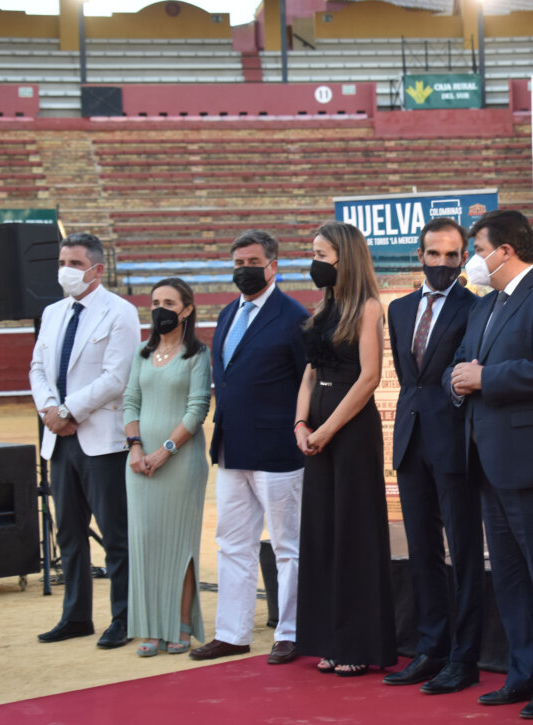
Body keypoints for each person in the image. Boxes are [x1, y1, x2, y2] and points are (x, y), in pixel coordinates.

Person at [445, 209, 533, 719]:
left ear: (506, 250)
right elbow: (460, 366)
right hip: (486, 461)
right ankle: (522, 673)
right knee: (509, 579)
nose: (474, 262)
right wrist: (460, 381)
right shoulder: (485, 306)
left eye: (479, 250)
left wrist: (486, 378)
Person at [191, 230, 308, 665]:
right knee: (232, 543)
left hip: (279, 450)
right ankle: (233, 632)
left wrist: (300, 430)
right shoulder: (226, 314)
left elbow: (306, 383)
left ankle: (290, 632)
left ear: (273, 265)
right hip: (232, 447)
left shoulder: (294, 317)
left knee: (287, 546)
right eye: (238, 262)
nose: (244, 269)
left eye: (253, 261)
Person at [384, 218, 484, 693]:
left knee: (463, 553)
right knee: (422, 551)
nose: (443, 263)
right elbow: (411, 379)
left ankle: (464, 658)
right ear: (419, 256)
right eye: (434, 254)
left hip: (456, 444)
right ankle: (431, 648)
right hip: (410, 440)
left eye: (452, 255)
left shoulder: (477, 309)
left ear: (463, 257)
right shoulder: (399, 310)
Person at [294, 221, 396, 677]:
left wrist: (328, 429)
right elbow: (310, 373)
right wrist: (301, 422)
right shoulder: (321, 311)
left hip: (351, 429)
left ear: (344, 257)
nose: (314, 262)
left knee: (352, 533)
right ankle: (328, 639)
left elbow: (369, 378)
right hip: (317, 427)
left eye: (321, 254)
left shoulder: (369, 307)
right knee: (321, 531)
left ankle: (358, 642)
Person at [29, 232, 140, 649]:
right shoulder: (53, 311)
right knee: (69, 534)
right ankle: (75, 615)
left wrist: (67, 411)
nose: (65, 271)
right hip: (59, 438)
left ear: (96, 269)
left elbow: (117, 377)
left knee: (115, 535)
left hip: (100, 440)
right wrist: (50, 411)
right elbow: (37, 368)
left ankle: (125, 616)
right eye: (62, 262)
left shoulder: (120, 312)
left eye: (74, 264)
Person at [123, 278, 211, 656]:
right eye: (156, 301)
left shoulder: (198, 355)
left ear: (186, 310)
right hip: (139, 464)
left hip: (181, 463)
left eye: (169, 302)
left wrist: (165, 451)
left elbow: (198, 409)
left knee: (179, 545)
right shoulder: (141, 352)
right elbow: (130, 401)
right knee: (145, 543)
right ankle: (149, 626)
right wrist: (136, 448)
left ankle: (180, 623)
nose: (161, 308)